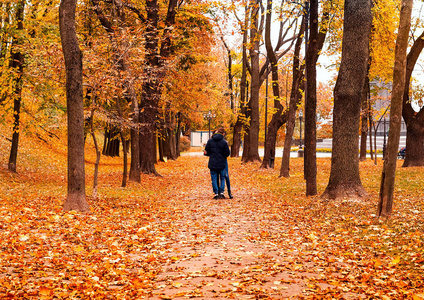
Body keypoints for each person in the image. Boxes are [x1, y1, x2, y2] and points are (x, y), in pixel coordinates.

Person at [204, 127, 230, 199]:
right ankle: (221, 192)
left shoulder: (210, 141)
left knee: (214, 178)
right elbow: (227, 153)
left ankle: (216, 193)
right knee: (222, 177)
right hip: (222, 162)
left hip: (212, 162)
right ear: (222, 134)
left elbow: (206, 152)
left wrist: (210, 154)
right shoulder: (224, 142)